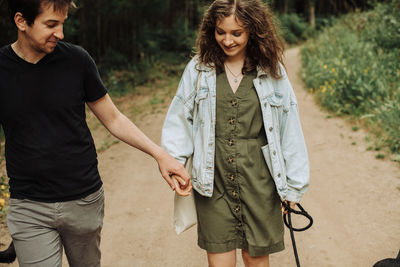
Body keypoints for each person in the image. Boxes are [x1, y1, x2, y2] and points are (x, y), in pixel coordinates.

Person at [0, 0, 191, 266]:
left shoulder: (77, 60)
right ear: (21, 21)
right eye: (51, 24)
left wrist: (160, 155)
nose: (61, 34)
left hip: (83, 200)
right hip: (29, 205)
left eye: (63, 24)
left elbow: (113, 118)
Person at [161, 0, 310, 266]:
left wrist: (293, 189)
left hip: (260, 181)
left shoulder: (271, 71)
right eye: (220, 32)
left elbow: (290, 129)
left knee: (256, 260)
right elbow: (180, 118)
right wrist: (175, 162)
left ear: (253, 31)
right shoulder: (199, 69)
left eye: (236, 33)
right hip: (213, 180)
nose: (227, 40)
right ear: (211, 30)